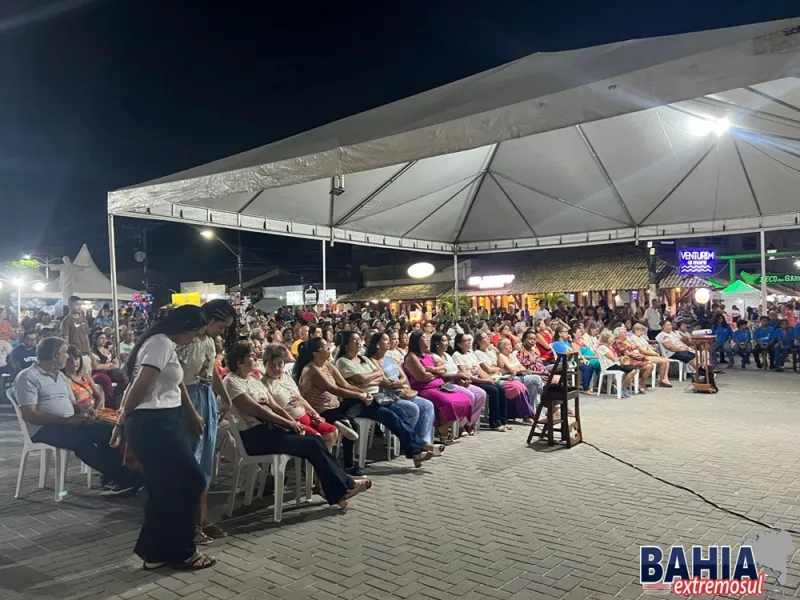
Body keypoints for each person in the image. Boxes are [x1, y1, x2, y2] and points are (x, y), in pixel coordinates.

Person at [113, 305, 215, 571]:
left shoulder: (162, 343)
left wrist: (190, 413)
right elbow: (141, 385)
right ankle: (182, 550)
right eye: (195, 333)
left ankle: (155, 552)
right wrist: (122, 420)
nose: (195, 339)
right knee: (191, 481)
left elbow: (172, 382)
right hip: (153, 423)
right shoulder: (159, 344)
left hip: (163, 420)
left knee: (162, 489)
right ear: (187, 328)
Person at [223, 341, 370, 510]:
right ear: (239, 362)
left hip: (270, 430)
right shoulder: (231, 382)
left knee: (316, 440)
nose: (255, 357)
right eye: (251, 355)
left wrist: (292, 423)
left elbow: (275, 407)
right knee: (311, 443)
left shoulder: (253, 379)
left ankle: (338, 489)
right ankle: (344, 486)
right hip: (253, 436)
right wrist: (289, 424)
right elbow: (259, 411)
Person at [14, 336, 141, 495]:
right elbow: (30, 415)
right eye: (65, 353)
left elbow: (73, 404)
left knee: (107, 431)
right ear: (55, 356)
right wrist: (67, 421)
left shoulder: (60, 376)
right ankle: (124, 478)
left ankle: (113, 478)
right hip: (44, 428)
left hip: (68, 422)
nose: (67, 357)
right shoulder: (28, 377)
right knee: (80, 439)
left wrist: (85, 410)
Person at [177, 299, 236, 543]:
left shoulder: (210, 343)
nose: (222, 332)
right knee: (191, 460)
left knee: (206, 461)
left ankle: (202, 519)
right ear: (210, 321)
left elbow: (211, 373)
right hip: (188, 399)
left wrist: (225, 397)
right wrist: (191, 411)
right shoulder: (188, 342)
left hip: (206, 397)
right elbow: (178, 379)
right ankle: (188, 523)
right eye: (221, 326)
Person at [336, 331, 436, 466]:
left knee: (402, 416)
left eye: (359, 340)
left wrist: (369, 379)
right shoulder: (343, 361)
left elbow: (380, 376)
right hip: (360, 401)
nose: (359, 343)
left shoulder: (363, 359)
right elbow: (360, 379)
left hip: (379, 397)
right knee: (392, 418)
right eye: (355, 341)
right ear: (346, 345)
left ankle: (415, 450)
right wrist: (371, 377)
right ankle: (420, 447)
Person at [261, 343, 338, 450]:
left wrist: (313, 412)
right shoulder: (264, 384)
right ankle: (320, 461)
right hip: (289, 422)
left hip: (305, 415)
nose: (277, 368)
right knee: (317, 438)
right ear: (265, 365)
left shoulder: (287, 378)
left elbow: (300, 398)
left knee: (332, 432)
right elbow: (275, 409)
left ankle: (318, 463)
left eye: (280, 364)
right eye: (272, 365)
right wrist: (292, 422)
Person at [366, 332, 438, 445]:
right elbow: (383, 379)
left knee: (427, 405)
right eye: (385, 340)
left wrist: (400, 382)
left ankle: (424, 441)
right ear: (377, 344)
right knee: (412, 408)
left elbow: (403, 375)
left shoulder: (391, 358)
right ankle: (407, 441)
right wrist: (394, 384)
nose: (389, 342)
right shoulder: (372, 360)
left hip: (401, 391)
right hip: (387, 395)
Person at [403, 330, 475, 442]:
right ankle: (442, 428)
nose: (427, 339)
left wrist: (431, 369)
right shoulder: (412, 356)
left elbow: (444, 368)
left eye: (427, 338)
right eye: (424, 338)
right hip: (424, 388)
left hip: (440, 386)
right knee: (449, 403)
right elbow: (422, 377)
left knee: (465, 400)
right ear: (417, 341)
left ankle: (443, 426)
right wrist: (437, 373)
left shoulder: (430, 355)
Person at [428, 333, 485, 435]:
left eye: (447, 341)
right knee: (469, 396)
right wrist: (459, 377)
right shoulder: (433, 357)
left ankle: (470, 422)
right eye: (444, 341)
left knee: (481, 394)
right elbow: (443, 375)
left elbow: (456, 370)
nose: (447, 343)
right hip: (446, 384)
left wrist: (463, 378)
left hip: (457, 381)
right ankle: (460, 426)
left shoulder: (448, 356)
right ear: (437, 343)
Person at [452, 333, 510, 432]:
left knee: (501, 389)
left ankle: (503, 420)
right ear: (459, 344)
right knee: (493, 391)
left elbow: (478, 370)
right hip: (470, 381)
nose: (469, 342)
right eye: (465, 341)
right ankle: (495, 422)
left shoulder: (470, 354)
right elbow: (466, 374)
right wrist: (483, 379)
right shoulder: (457, 355)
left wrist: (488, 378)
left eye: (469, 340)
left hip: (477, 377)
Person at [473, 331, 535, 423]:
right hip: (492, 378)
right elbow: (489, 370)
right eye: (485, 338)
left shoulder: (490, 352)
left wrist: (497, 353)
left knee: (521, 386)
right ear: (479, 341)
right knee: (515, 387)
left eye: (488, 337)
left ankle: (526, 413)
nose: (488, 339)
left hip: (500, 376)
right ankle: (526, 414)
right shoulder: (478, 353)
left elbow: (501, 366)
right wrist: (497, 368)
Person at [611, 326, 653, 394]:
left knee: (650, 365)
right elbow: (626, 353)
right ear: (619, 334)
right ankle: (627, 386)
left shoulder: (625, 341)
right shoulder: (618, 341)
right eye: (624, 332)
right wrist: (641, 356)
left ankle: (640, 384)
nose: (626, 334)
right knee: (648, 365)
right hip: (626, 360)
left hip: (632, 359)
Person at [595, 330, 636, 398]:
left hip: (615, 364)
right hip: (610, 366)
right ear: (607, 339)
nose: (613, 339)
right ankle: (622, 387)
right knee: (632, 370)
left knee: (635, 368)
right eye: (611, 338)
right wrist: (622, 358)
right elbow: (614, 359)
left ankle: (622, 386)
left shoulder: (609, 346)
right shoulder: (602, 347)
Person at [90, 331, 127, 407]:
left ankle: (116, 397)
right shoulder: (92, 352)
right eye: (101, 338)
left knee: (123, 376)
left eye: (105, 338)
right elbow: (96, 367)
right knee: (105, 379)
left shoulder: (109, 351)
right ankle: (110, 404)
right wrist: (109, 364)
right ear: (95, 339)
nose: (104, 340)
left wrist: (105, 365)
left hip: (109, 371)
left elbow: (116, 364)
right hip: (96, 373)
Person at [64, 345, 105, 412]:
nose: (74, 362)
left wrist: (96, 410)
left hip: (94, 412)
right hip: (80, 415)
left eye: (76, 358)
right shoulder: (65, 380)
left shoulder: (85, 376)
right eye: (70, 359)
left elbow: (98, 397)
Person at [60, 296, 92, 373]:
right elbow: (65, 340)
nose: (79, 307)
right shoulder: (66, 321)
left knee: (87, 378)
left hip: (85, 354)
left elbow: (86, 336)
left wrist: (89, 352)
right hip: (75, 356)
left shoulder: (83, 319)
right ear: (70, 305)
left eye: (80, 304)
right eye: (77, 304)